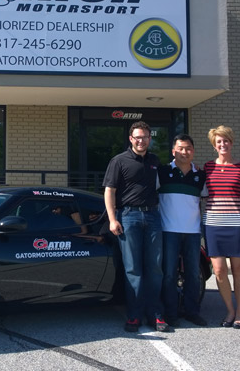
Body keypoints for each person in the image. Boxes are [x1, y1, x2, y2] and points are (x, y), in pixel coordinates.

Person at [102, 121, 168, 332]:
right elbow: (109, 191)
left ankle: (155, 314)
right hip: (128, 217)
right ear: (131, 139)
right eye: (137, 137)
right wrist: (113, 219)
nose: (141, 140)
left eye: (145, 137)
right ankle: (134, 316)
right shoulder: (118, 161)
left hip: (152, 217)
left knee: (155, 268)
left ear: (150, 139)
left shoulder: (155, 161)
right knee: (133, 269)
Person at [203, 125, 240, 329]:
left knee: (238, 270)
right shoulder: (207, 167)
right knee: (218, 270)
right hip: (214, 224)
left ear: (231, 143)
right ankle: (230, 311)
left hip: (238, 223)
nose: (222, 144)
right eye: (219, 142)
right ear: (214, 146)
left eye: (226, 141)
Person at [158, 134, 208, 327]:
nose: (184, 152)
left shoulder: (200, 175)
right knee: (169, 274)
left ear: (193, 151)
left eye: (188, 149)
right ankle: (170, 314)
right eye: (180, 148)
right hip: (168, 230)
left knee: (193, 274)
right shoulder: (162, 172)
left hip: (193, 232)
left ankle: (192, 312)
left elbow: (206, 199)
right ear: (173, 151)